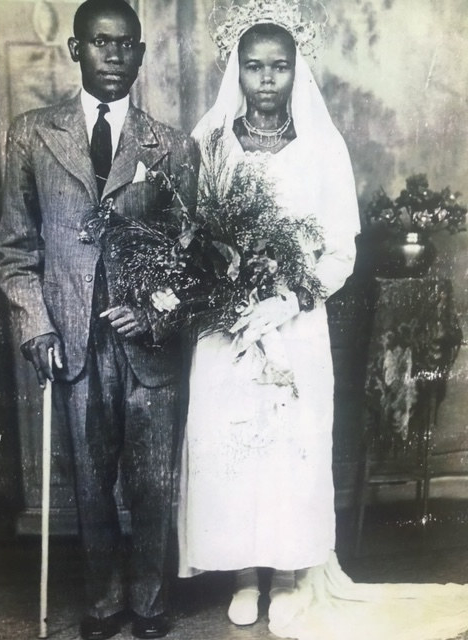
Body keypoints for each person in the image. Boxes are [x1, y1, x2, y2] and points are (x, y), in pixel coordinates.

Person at [177, 3, 468, 639]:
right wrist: (223, 286)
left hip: (292, 322)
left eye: (279, 67)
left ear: (295, 71)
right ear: (238, 70)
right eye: (253, 67)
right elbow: (188, 233)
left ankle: (286, 575)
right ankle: (242, 574)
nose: (265, 80)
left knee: (288, 448)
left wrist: (290, 297)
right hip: (227, 325)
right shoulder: (211, 142)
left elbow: (340, 248)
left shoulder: (322, 145)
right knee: (227, 445)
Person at [0, 1, 198, 639]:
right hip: (73, 341)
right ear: (75, 50)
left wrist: (152, 310)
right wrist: (37, 327)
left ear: (141, 54)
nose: (113, 57)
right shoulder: (32, 134)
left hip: (148, 345)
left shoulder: (171, 144)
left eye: (126, 46)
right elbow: (16, 250)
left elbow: (192, 252)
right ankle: (106, 600)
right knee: (90, 480)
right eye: (100, 44)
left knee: (152, 480)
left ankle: (149, 599)